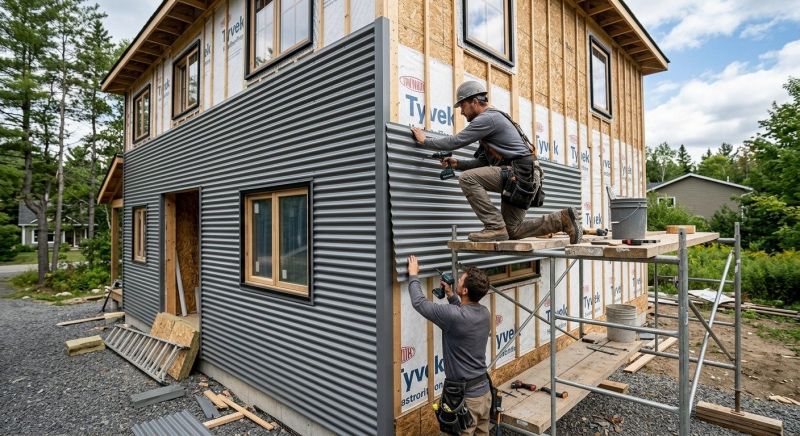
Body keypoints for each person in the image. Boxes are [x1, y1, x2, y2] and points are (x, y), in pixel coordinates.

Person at [411, 80, 582, 244]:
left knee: (467, 179)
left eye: (462, 106)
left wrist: (425, 141)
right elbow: (484, 162)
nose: (461, 112)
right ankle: (562, 219)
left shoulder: (487, 119)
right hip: (525, 175)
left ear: (475, 102)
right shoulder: (492, 121)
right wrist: (457, 163)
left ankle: (493, 226)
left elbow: (455, 141)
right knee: (512, 230)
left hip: (518, 173)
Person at [407, 255, 492, 436]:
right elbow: (462, 313)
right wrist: (451, 295)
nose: (457, 281)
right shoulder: (484, 313)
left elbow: (419, 302)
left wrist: (413, 275)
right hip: (484, 395)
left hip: (466, 400)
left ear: (465, 290)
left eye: (459, 281)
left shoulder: (453, 316)